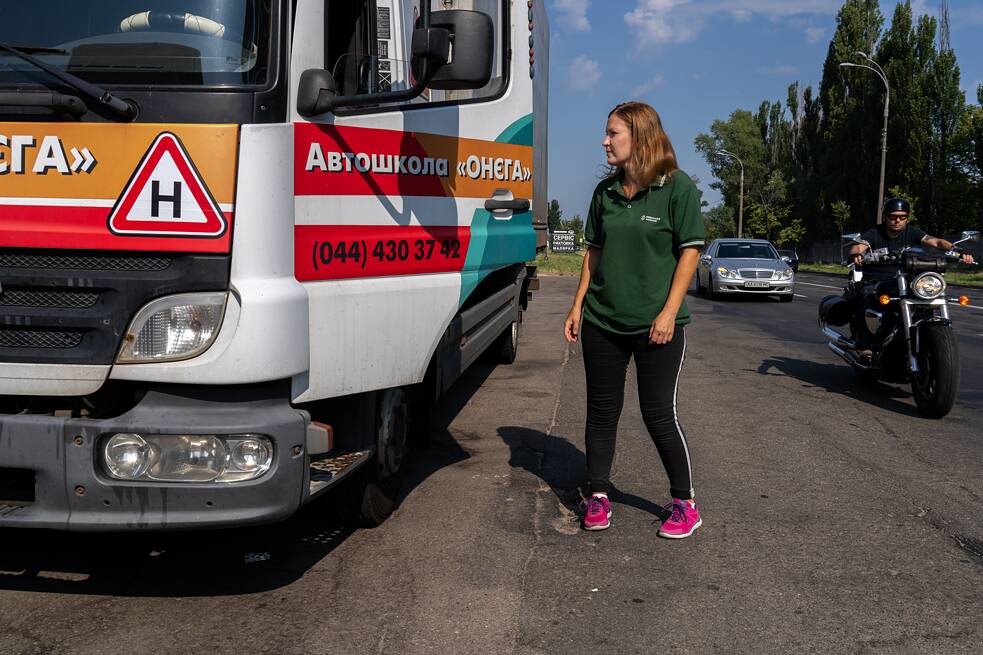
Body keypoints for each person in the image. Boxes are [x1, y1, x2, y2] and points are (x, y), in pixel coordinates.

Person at [563, 101, 705, 539]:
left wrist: (667, 312)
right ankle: (599, 496)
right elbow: (594, 253)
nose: (604, 142)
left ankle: (684, 503)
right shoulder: (604, 193)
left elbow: (690, 252)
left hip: (656, 326)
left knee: (658, 413)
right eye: (606, 134)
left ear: (640, 137)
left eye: (613, 134)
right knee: (602, 412)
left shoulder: (677, 188)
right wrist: (577, 305)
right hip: (603, 322)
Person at [847, 197, 975, 358]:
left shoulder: (912, 232)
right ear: (885, 217)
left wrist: (957, 250)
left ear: (907, 217)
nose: (897, 220)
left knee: (924, 296)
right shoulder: (875, 233)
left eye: (902, 217)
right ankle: (864, 346)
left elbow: (935, 242)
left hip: (903, 279)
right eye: (893, 217)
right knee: (865, 296)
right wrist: (857, 254)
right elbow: (861, 244)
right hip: (877, 280)